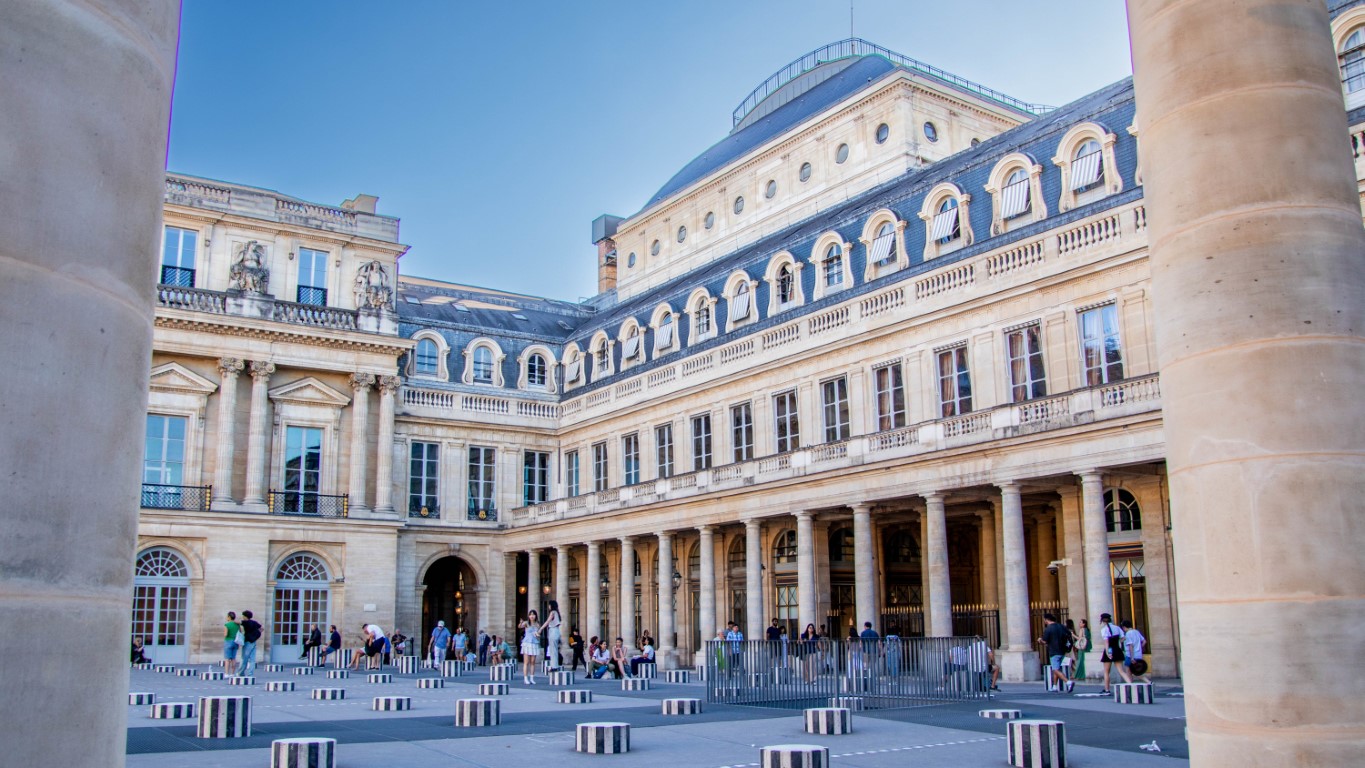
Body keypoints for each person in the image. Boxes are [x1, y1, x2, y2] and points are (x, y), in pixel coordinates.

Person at [1040, 613, 1074, 693]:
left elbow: (1044, 641)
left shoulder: (1048, 629)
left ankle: (1068, 682)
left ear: (1046, 620)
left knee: (1055, 669)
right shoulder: (1061, 626)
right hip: (1062, 650)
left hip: (1054, 651)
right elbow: (1069, 634)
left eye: (1044, 619)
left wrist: (1040, 640)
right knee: (1057, 669)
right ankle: (1054, 686)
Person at [1097, 613, 1129, 692]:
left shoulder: (1104, 630)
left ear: (1103, 621)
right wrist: (1118, 642)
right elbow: (1123, 638)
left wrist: (1108, 653)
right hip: (1117, 649)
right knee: (1121, 671)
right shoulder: (1117, 627)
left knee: (1106, 671)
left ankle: (1107, 689)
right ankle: (1131, 684)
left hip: (1110, 649)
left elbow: (1106, 643)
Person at [1121, 619, 1152, 683]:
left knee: (1129, 671)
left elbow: (1130, 645)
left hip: (1130, 655)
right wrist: (1139, 648)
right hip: (1138, 654)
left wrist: (1132, 657)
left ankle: (1130, 683)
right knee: (1136, 671)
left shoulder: (1128, 634)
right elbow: (1144, 641)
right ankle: (1148, 681)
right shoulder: (1136, 631)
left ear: (1124, 627)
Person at [518, 609, 542, 684]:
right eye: (530, 614)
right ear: (528, 616)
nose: (532, 616)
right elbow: (520, 626)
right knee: (526, 661)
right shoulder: (526, 623)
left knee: (533, 662)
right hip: (527, 643)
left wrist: (538, 635)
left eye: (533, 614)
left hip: (534, 642)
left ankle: (532, 678)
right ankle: (525, 678)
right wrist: (521, 622)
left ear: (536, 616)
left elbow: (539, 633)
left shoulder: (537, 624)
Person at [238, 609, 262, 677]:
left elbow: (238, 622)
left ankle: (241, 672)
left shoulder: (245, 622)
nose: (242, 617)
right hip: (253, 641)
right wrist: (256, 634)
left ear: (245, 616)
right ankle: (250, 674)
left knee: (244, 658)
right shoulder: (254, 622)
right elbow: (261, 628)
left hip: (247, 641)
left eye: (243, 616)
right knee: (252, 659)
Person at [544, 600, 563, 670]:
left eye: (549, 605)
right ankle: (554, 666)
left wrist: (540, 630)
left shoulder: (553, 612)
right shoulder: (557, 613)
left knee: (553, 650)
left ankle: (554, 666)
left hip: (553, 631)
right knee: (553, 650)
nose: (548, 606)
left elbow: (547, 621)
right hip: (556, 631)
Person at [223, 611, 241, 676]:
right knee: (233, 658)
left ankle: (226, 673)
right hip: (235, 642)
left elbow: (226, 634)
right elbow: (240, 632)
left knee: (227, 659)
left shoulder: (227, 625)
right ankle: (233, 673)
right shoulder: (237, 625)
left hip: (228, 641)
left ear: (229, 617)